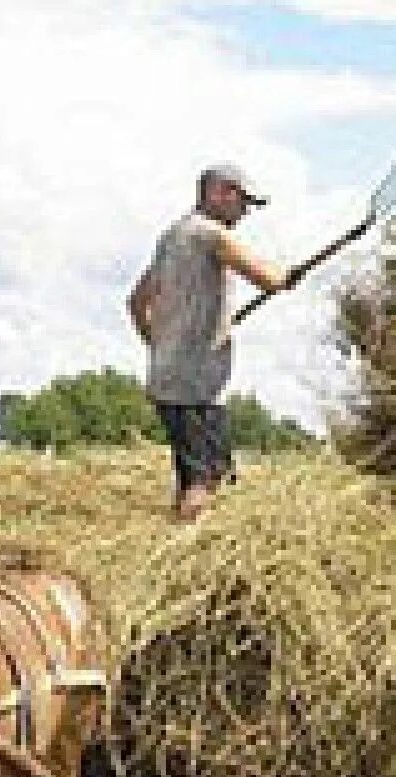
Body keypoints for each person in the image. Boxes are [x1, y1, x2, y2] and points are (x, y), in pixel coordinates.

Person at [127, 163, 296, 522]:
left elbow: (136, 302)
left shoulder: (172, 237)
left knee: (196, 477)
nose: (245, 211)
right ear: (217, 192)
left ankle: (178, 548)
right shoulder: (210, 235)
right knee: (205, 483)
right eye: (242, 200)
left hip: (168, 380)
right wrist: (285, 278)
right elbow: (268, 278)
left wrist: (159, 348)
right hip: (195, 387)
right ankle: (189, 559)